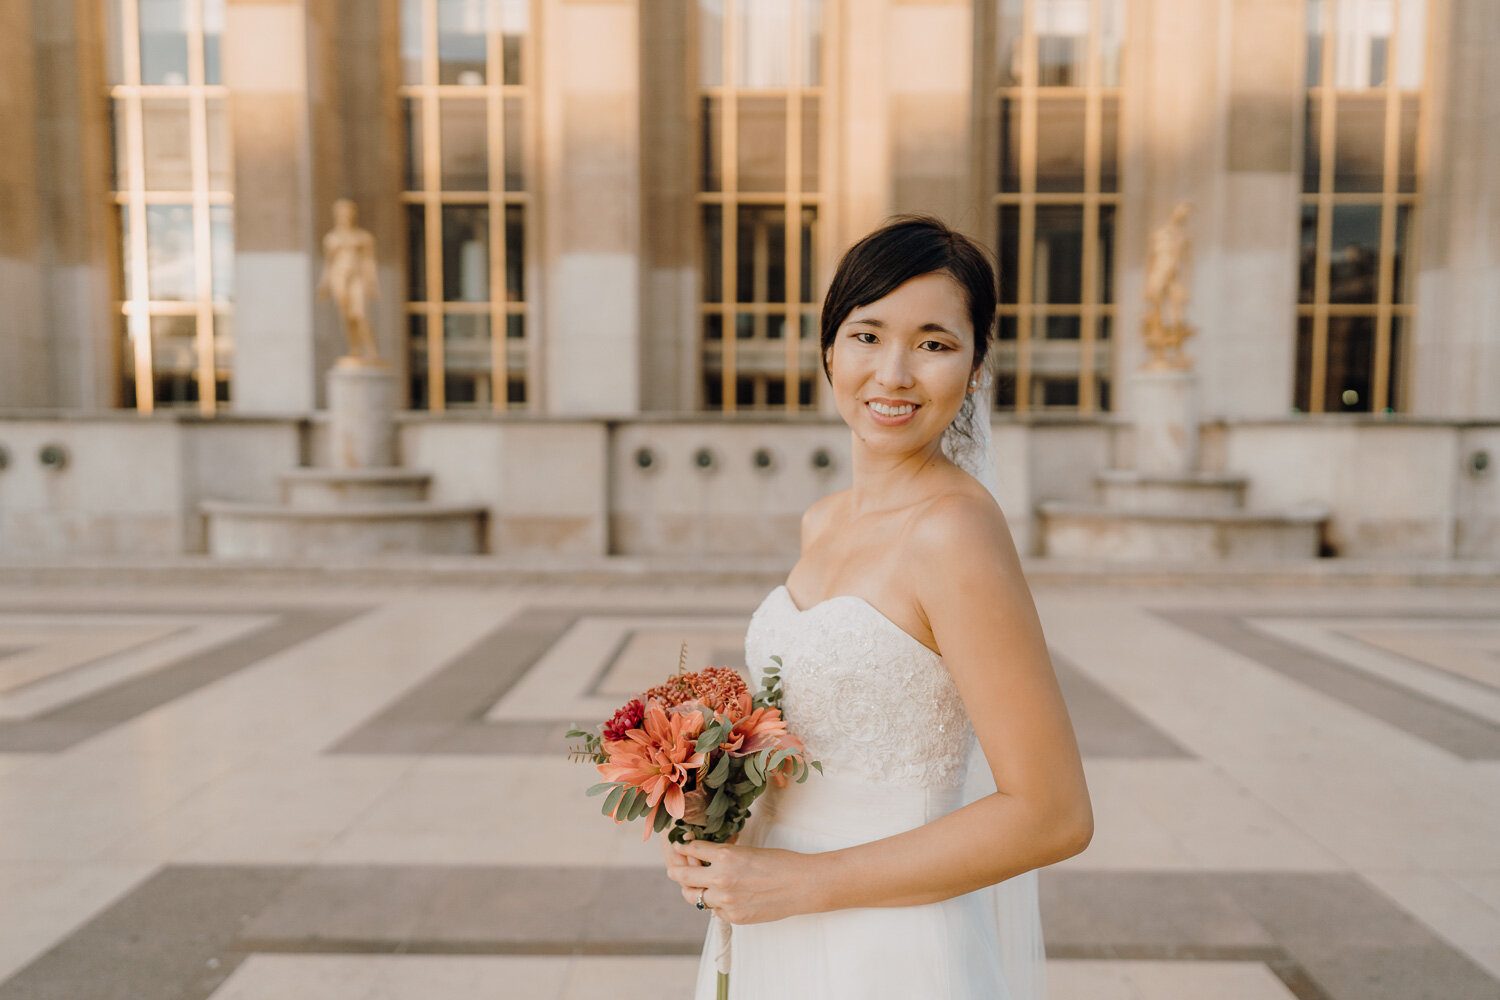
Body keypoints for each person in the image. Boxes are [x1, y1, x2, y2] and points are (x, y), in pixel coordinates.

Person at [662, 216, 1093, 999]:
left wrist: (805, 883)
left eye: (934, 343)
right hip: (768, 929)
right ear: (828, 348)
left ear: (975, 367)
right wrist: (707, 802)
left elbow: (1054, 813)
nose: (893, 373)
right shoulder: (822, 520)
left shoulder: (955, 531)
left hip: (891, 949)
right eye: (867, 335)